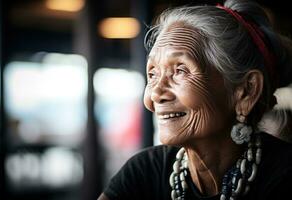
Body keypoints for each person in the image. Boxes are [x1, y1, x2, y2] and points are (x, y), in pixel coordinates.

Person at [98, 0, 292, 199]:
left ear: (246, 91)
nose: (155, 94)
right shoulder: (144, 172)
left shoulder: (284, 177)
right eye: (153, 74)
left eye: (180, 70)